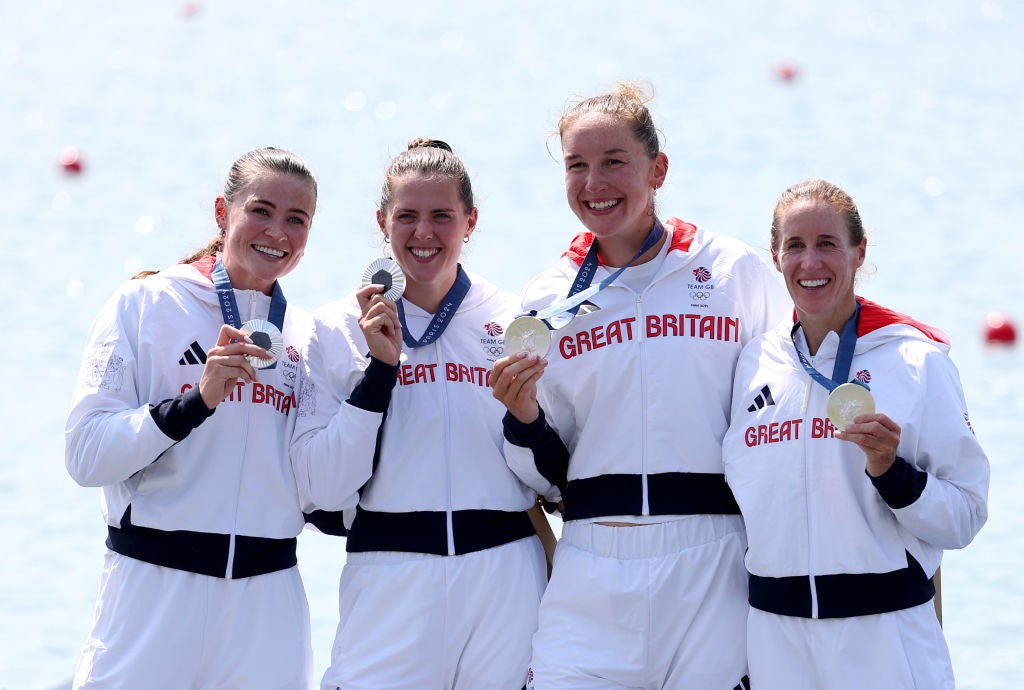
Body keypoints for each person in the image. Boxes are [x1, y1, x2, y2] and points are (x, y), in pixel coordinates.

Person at [490, 82, 790, 689]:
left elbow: (784, 409)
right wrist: (522, 417)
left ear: (658, 169)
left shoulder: (733, 270)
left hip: (715, 555)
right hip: (592, 557)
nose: (594, 184)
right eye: (577, 166)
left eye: (614, 163)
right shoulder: (547, 297)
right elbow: (546, 472)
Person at [65, 147, 369, 689]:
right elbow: (86, 456)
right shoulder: (145, 303)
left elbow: (317, 488)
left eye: (296, 220)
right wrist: (195, 403)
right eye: (261, 210)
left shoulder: (308, 335)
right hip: (154, 591)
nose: (277, 231)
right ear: (222, 212)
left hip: (267, 603)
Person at [291, 138, 548, 690]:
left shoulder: (512, 319)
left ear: (470, 221)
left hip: (504, 576)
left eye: (442, 216)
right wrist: (378, 373)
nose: (423, 233)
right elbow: (320, 488)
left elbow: (552, 479)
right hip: (389, 576)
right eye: (406, 216)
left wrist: (527, 418)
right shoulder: (333, 328)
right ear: (382, 221)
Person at [721, 179, 990, 689]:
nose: (810, 263)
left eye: (827, 244)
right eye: (795, 246)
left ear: (858, 251)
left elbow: (966, 517)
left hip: (884, 638)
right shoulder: (754, 362)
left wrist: (893, 474)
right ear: (775, 257)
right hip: (776, 641)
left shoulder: (915, 361)